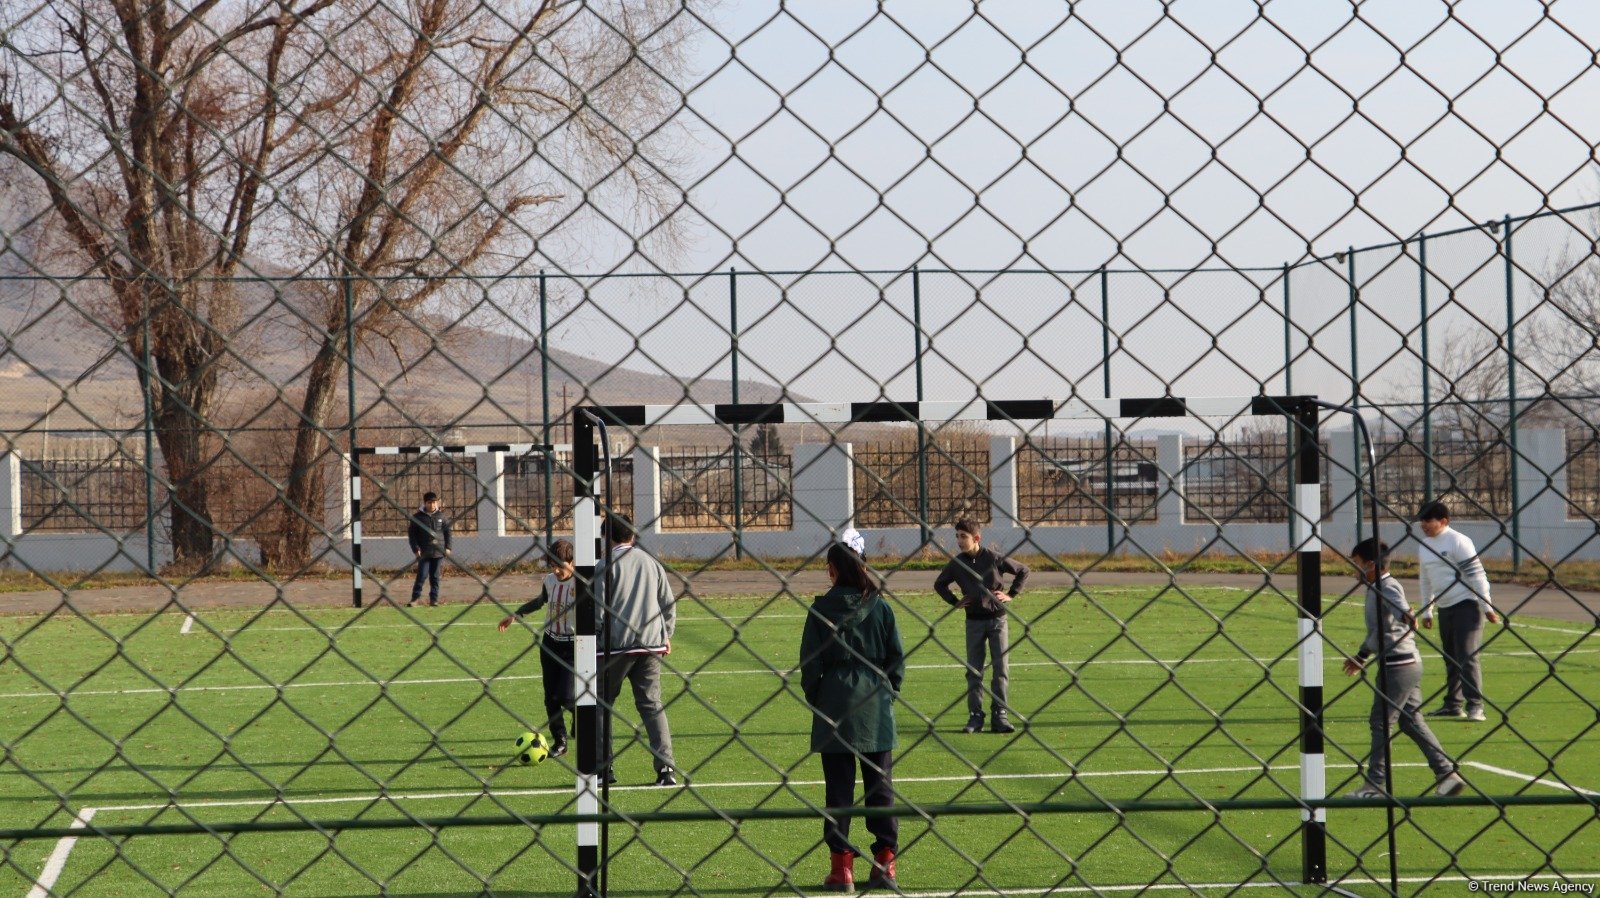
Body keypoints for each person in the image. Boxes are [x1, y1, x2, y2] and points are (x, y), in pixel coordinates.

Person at [800, 541, 905, 892]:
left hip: (834, 701)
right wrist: (888, 692)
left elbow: (810, 665)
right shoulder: (880, 606)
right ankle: (885, 861)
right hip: (875, 701)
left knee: (839, 790)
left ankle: (841, 867)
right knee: (880, 788)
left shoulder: (820, 610)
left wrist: (820, 697)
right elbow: (896, 659)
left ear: (833, 569)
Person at [1343, 537, 1466, 799]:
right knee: (1410, 721)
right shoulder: (1376, 587)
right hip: (1408, 663)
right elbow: (1380, 630)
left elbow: (1399, 609)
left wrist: (1408, 616)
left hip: (1397, 666)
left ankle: (1375, 785)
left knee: (1381, 722)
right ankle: (1446, 775)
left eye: (1358, 564)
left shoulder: (1385, 587)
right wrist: (1361, 657)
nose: (1355, 569)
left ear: (1372, 565)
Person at [595, 512, 678, 787]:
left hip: (616, 646)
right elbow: (668, 603)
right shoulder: (651, 563)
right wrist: (666, 634)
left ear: (606, 537)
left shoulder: (604, 565)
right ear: (632, 535)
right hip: (651, 643)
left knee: (601, 704)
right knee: (651, 705)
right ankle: (666, 769)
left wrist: (593, 638)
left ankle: (604, 769)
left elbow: (598, 609)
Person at [933, 518, 1029, 734]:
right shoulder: (957, 563)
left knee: (1000, 668)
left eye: (963, 536)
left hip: (998, 620)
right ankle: (975, 716)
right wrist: (954, 601)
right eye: (957, 536)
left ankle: (1000, 715)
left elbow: (1023, 570)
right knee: (974, 670)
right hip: (973, 622)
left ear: (976, 538)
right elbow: (939, 584)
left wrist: (1011, 594)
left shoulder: (994, 558)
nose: (959, 541)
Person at [1415, 501, 1500, 722]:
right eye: (1421, 521)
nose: (1424, 525)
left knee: (1467, 655)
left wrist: (1487, 607)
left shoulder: (1458, 541)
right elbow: (1425, 579)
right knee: (1450, 657)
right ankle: (1453, 704)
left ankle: (1476, 706)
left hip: (1466, 605)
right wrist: (1427, 610)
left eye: (1428, 520)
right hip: (1444, 608)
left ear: (1444, 521)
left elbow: (1477, 575)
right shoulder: (1424, 545)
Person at [498, 539, 577, 758]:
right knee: (550, 697)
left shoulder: (581, 583)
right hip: (550, 643)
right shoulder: (549, 581)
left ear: (573, 562)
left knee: (566, 696)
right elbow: (541, 600)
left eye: (560, 566)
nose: (556, 570)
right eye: (552, 565)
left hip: (572, 646)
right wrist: (517, 614)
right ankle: (560, 740)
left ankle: (582, 715)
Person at [407, 491, 451, 606]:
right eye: (429, 502)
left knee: (435, 577)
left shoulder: (442, 516)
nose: (432, 505)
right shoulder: (417, 518)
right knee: (422, 575)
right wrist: (416, 549)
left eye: (434, 502)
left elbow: (448, 533)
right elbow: (412, 536)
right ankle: (415, 599)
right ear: (425, 503)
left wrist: (448, 547)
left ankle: (434, 599)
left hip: (438, 552)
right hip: (424, 552)